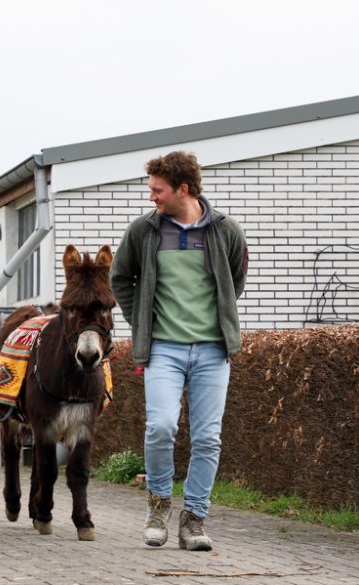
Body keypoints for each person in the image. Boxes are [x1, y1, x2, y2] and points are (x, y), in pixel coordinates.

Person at [110, 151, 248, 551]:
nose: (151, 196)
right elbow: (121, 279)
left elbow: (234, 283)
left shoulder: (225, 231)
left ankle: (194, 520)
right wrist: (142, 325)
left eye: (157, 190)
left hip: (212, 351)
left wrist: (218, 317)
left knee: (208, 438)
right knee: (161, 427)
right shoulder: (144, 231)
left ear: (182, 189)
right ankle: (158, 507)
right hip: (164, 350)